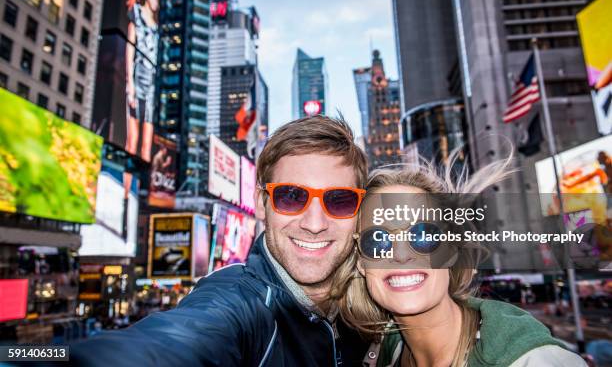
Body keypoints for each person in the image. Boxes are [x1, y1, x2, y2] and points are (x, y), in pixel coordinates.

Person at [71, 115, 370, 366]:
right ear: (261, 203)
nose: (314, 224)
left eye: (339, 200)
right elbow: (174, 343)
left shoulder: (374, 303)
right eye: (291, 197)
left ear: (360, 211)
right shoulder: (237, 302)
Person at [332, 154, 587, 367]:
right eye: (377, 240)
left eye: (423, 234)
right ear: (362, 263)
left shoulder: (532, 360)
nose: (401, 254)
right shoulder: (381, 353)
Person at [123, 0, 159, 201]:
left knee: (147, 145)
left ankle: (135, 196)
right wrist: (130, 83)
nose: (157, 1)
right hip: (138, 80)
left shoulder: (157, 25)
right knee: (131, 142)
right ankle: (125, 194)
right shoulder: (135, 14)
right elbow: (129, 47)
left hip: (153, 88)